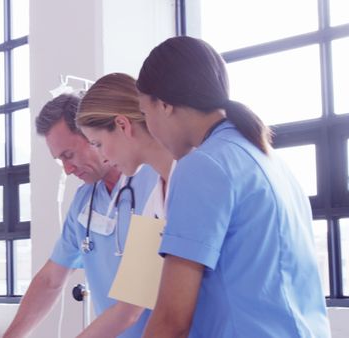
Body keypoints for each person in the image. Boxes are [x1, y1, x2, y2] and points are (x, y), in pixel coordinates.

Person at [134, 36, 331, 337]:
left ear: (164, 105)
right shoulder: (270, 161)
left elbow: (172, 320)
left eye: (145, 115)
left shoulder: (203, 166)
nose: (151, 129)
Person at [3, 93, 158, 338]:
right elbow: (50, 280)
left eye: (69, 154)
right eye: (60, 160)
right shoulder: (83, 202)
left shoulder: (153, 181)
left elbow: (131, 307)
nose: (67, 169)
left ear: (93, 134)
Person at [76, 72, 175, 219]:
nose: (103, 158)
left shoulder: (197, 176)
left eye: (98, 144)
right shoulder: (155, 200)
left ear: (123, 125)